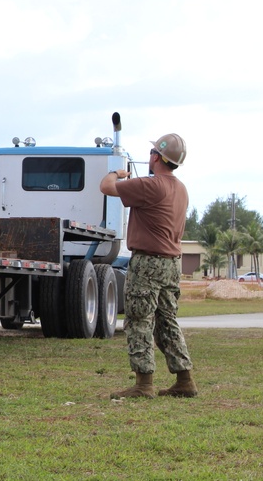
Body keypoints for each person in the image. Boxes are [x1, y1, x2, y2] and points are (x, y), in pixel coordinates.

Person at [100, 133, 197, 399]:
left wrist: (116, 173)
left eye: (153, 152)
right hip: (171, 264)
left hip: (148, 263)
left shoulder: (150, 185)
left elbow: (106, 187)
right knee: (167, 321)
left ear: (156, 157)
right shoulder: (181, 188)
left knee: (139, 320)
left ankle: (144, 384)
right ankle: (184, 379)